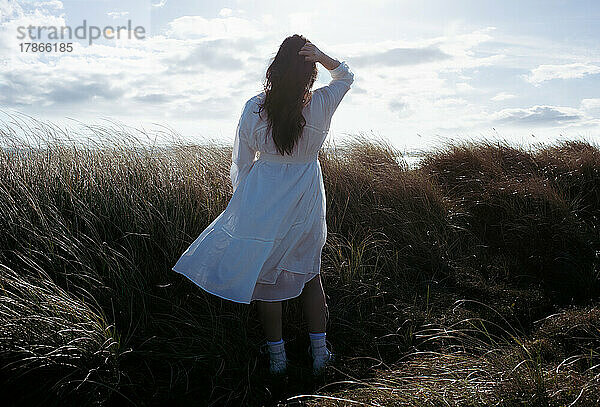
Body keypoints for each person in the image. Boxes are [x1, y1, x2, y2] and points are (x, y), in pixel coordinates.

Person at [172, 34, 354, 376]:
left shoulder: (255, 106)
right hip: (306, 196)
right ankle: (319, 356)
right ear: (310, 71)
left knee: (268, 279)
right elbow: (346, 75)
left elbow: (241, 160)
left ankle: (277, 360)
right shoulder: (322, 102)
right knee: (311, 275)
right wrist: (323, 56)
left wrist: (243, 200)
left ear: (276, 68)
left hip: (261, 196)